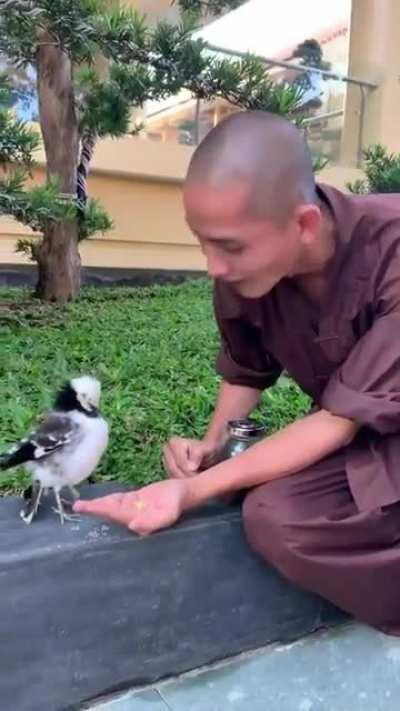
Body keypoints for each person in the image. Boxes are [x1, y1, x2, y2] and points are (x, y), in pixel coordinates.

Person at [74, 111, 400, 634]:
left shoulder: (392, 250)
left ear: (304, 224)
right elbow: (247, 370)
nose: (213, 267)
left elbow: (338, 421)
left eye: (229, 246)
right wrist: (211, 451)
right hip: (368, 437)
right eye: (202, 242)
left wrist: (187, 493)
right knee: (276, 518)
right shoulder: (247, 271)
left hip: (360, 427)